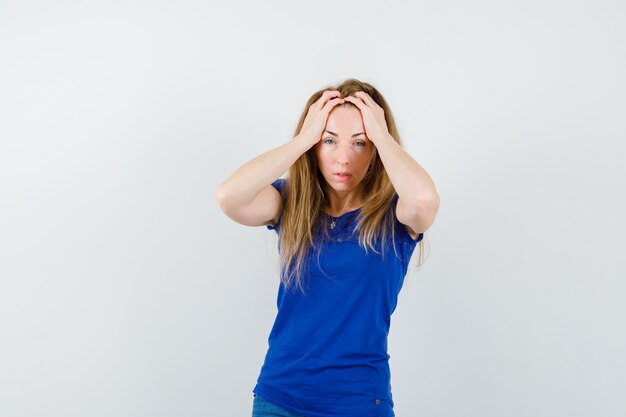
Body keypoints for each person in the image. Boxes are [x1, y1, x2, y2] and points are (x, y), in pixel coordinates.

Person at [215, 78, 440, 417]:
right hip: (280, 397)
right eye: (329, 141)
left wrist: (381, 134)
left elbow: (425, 200)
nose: (343, 158)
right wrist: (305, 138)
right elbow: (228, 197)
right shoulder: (291, 201)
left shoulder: (396, 212)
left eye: (360, 143)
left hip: (359, 401)